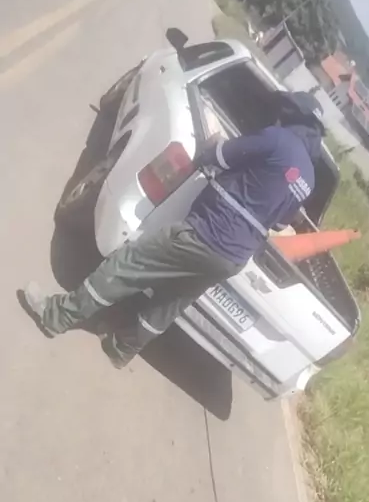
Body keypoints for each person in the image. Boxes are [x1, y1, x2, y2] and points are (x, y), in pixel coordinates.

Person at [20, 91, 325, 368]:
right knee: (170, 303)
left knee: (127, 266)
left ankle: (56, 316)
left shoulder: (278, 139)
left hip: (207, 234)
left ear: (290, 116)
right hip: (233, 258)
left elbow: (219, 155)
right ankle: (122, 348)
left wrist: (211, 151)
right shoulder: (309, 178)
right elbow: (280, 223)